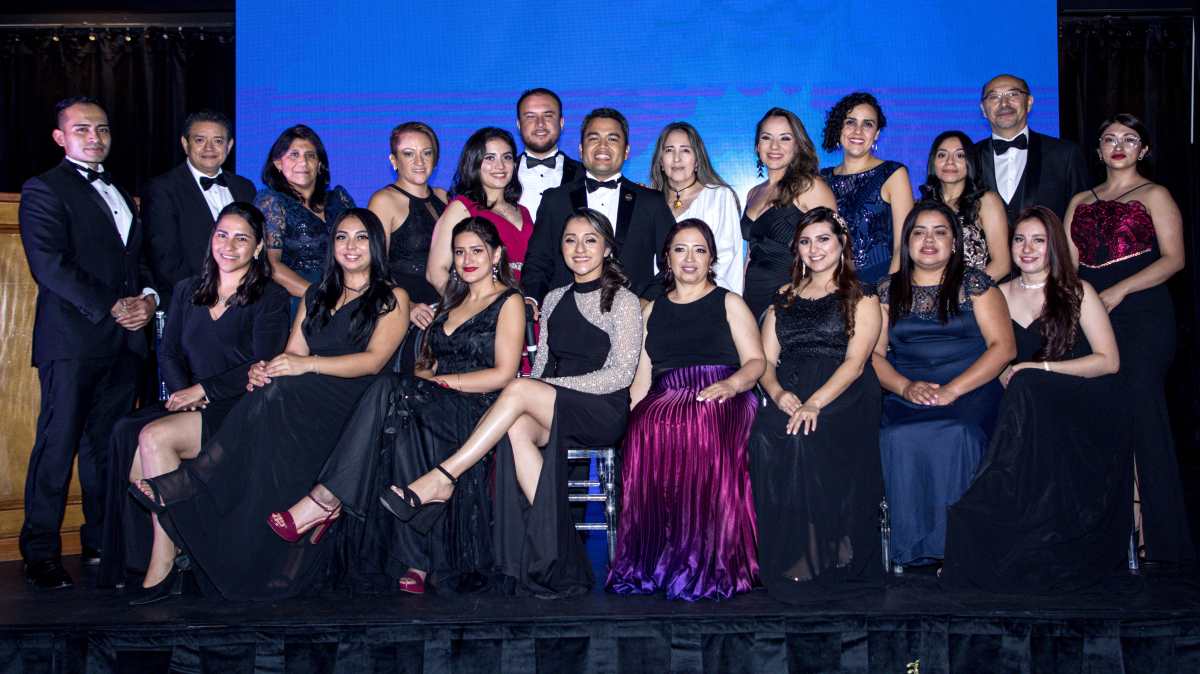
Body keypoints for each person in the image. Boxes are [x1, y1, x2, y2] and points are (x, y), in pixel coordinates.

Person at [131, 208, 409, 601]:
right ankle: (223, 525)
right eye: (342, 237)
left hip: (355, 401)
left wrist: (306, 365)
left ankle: (198, 479)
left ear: (376, 245)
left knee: (279, 392)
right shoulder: (316, 294)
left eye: (361, 237)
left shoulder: (392, 297)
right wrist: (267, 369)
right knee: (268, 387)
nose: (351, 246)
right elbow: (292, 353)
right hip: (306, 395)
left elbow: (373, 362)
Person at [382, 208, 642, 598]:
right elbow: (541, 364)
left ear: (607, 249)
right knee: (516, 425)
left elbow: (620, 375)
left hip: (602, 409)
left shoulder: (623, 300)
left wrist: (544, 387)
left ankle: (443, 476)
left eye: (590, 240)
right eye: (570, 240)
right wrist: (541, 387)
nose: (579, 249)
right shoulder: (554, 299)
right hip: (555, 404)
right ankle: (560, 554)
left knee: (519, 390)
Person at [269, 216, 524, 595]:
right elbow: (426, 364)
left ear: (497, 255)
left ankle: (326, 497)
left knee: (389, 386)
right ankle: (415, 559)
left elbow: (504, 374)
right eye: (459, 252)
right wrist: (425, 379)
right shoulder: (449, 303)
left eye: (477, 251)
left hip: (480, 409)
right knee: (402, 422)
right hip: (437, 400)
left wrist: (439, 383)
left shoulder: (509, 300)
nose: (467, 260)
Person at [106, 202, 289, 599]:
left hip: (242, 405)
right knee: (125, 432)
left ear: (258, 247)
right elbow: (169, 351)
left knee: (154, 437)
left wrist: (203, 392)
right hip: (191, 400)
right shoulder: (188, 289)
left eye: (241, 238)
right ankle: (183, 539)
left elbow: (263, 363)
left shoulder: (271, 297)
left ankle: (163, 561)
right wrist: (183, 394)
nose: (229, 245)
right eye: (222, 235)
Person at [944, 206, 1129, 592]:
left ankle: (1000, 502)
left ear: (1054, 246)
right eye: (1019, 239)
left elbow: (1109, 361)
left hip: (1079, 403)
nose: (1027, 248)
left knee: (1027, 384)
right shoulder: (996, 294)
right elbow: (990, 359)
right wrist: (1007, 375)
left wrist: (1039, 369)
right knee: (1003, 398)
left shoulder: (1078, 291)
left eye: (1038, 240)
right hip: (1020, 409)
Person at [18, 97, 157, 590]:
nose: (94, 137)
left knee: (105, 450)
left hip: (125, 343)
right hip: (72, 341)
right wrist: (112, 306)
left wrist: (148, 299)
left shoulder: (120, 190)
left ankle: (100, 541)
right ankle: (39, 552)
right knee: (57, 447)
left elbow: (137, 263)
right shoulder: (43, 188)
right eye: (82, 129)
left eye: (102, 129)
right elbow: (50, 266)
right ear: (60, 137)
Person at [606, 219, 763, 601]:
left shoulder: (729, 302)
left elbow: (756, 361)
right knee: (643, 427)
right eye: (680, 249)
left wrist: (732, 385)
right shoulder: (651, 310)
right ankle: (658, 561)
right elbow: (642, 379)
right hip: (667, 393)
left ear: (711, 259)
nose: (689, 258)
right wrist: (627, 420)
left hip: (723, 390)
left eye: (699, 250)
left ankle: (708, 561)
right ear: (667, 259)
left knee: (701, 420)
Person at [1065, 113, 1193, 563]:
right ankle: (1104, 528)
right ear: (1098, 150)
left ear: (1144, 149)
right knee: (1098, 413)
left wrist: (1120, 290)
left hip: (1143, 314)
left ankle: (1151, 529)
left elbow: (1174, 259)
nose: (1118, 146)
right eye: (1109, 139)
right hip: (1091, 313)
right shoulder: (1080, 199)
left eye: (1129, 139)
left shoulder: (1156, 194)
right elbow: (1068, 267)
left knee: (1141, 410)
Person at [747, 206, 885, 601]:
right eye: (805, 242)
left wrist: (815, 404)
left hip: (843, 393)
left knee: (803, 438)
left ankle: (821, 548)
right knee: (764, 435)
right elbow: (765, 361)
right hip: (790, 388)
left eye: (823, 239)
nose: (814, 249)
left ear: (841, 243)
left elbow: (856, 364)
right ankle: (786, 547)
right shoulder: (784, 296)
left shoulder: (862, 295)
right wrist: (777, 394)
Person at [873, 200, 1015, 569]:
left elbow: (1003, 348)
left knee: (958, 432)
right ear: (907, 242)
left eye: (940, 232)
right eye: (919, 233)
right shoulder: (887, 290)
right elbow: (873, 356)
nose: (929, 241)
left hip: (972, 390)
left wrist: (953, 390)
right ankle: (910, 548)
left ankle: (960, 546)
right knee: (894, 436)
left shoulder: (976, 284)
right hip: (907, 392)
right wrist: (905, 387)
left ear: (954, 242)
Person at [522, 108, 675, 304]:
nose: (603, 146)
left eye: (612, 139)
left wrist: (646, 302)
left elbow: (673, 262)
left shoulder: (651, 202)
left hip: (633, 316)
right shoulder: (555, 200)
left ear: (627, 151)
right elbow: (538, 262)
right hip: (566, 314)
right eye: (594, 138)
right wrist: (532, 300)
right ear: (580, 149)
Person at [142, 110, 257, 305]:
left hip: (245, 299)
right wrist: (210, 297)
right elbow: (165, 259)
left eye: (218, 141)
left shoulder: (245, 187)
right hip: (192, 302)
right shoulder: (162, 189)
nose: (209, 148)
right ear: (185, 144)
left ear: (229, 146)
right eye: (200, 140)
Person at [366, 121, 448, 371]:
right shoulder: (384, 200)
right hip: (407, 313)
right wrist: (407, 307)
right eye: (409, 154)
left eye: (426, 153)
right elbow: (372, 267)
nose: (419, 161)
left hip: (445, 307)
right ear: (394, 160)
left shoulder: (442, 197)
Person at [742, 107, 838, 318]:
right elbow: (750, 254)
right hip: (752, 298)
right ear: (757, 146)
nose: (774, 146)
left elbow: (836, 247)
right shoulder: (753, 193)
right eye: (766, 138)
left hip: (793, 300)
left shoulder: (810, 187)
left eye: (785, 138)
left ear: (798, 145)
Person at [819, 93, 913, 284]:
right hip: (831, 286)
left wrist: (888, 292)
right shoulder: (822, 179)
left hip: (878, 284)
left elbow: (904, 244)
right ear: (839, 128)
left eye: (867, 124)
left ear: (877, 133)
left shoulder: (892, 174)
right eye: (850, 122)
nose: (858, 131)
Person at [255, 124, 356, 303]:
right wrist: (320, 298)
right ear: (278, 163)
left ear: (319, 164)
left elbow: (365, 248)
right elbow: (271, 265)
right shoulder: (271, 202)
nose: (303, 162)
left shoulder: (339, 199)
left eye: (310, 155)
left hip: (347, 292)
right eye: (294, 155)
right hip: (298, 298)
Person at [972, 73, 1088, 223]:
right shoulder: (969, 157)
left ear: (1029, 102)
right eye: (994, 97)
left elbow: (1082, 219)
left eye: (1013, 94)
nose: (1004, 104)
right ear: (983, 109)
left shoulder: (1065, 154)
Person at [427, 127, 532, 291]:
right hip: (489, 305)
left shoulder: (523, 212)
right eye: (490, 158)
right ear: (474, 163)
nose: (500, 165)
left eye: (507, 157)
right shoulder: (462, 208)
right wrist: (471, 305)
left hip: (528, 302)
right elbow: (435, 273)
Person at [647, 122, 745, 293]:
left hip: (708, 298)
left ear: (697, 160)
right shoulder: (649, 201)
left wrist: (695, 297)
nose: (676, 158)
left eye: (685, 150)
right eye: (669, 150)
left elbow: (727, 259)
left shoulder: (719, 196)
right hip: (658, 299)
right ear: (660, 161)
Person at [919, 131, 1011, 280]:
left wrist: (963, 290)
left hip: (974, 291)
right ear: (933, 162)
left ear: (970, 162)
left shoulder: (986, 201)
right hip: (928, 290)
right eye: (942, 155)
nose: (950, 161)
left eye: (960, 155)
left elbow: (1002, 264)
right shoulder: (920, 206)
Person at [515, 88, 583, 218]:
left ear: (561, 122)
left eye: (548, 116)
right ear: (518, 124)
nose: (540, 124)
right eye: (530, 116)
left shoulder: (583, 174)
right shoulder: (502, 174)